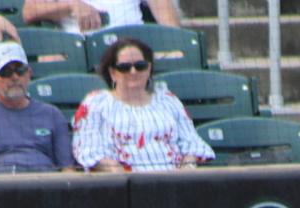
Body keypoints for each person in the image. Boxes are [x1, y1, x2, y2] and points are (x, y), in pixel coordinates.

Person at [71, 38, 213, 172]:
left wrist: (186, 171)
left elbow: (192, 143)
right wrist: (122, 175)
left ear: (149, 68)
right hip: (122, 185)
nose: (133, 72)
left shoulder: (168, 99)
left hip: (175, 182)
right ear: (112, 72)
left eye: (140, 66)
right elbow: (88, 149)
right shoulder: (96, 103)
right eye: (124, 67)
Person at [0, 41, 74, 175]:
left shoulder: (52, 114)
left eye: (20, 70)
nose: (15, 77)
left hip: (47, 186)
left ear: (29, 73)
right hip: (0, 188)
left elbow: (67, 169)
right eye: (6, 72)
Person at [21, 0, 179, 34]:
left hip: (133, 49)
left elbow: (171, 26)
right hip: (81, 49)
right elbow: (30, 11)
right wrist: (71, 5)